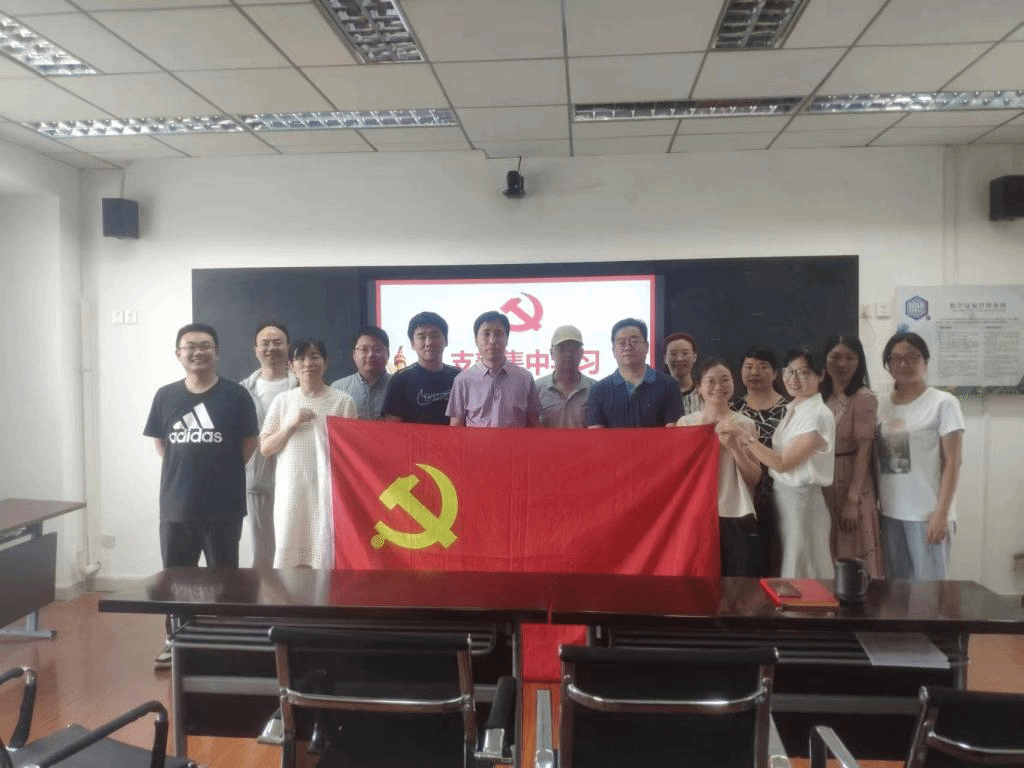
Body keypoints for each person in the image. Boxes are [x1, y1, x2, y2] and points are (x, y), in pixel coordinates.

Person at [144, 323, 259, 666]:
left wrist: (220, 471)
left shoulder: (236, 395)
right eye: (190, 346)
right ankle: (176, 640)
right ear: (178, 354)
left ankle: (226, 640)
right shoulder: (165, 395)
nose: (198, 352)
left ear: (217, 352)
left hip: (224, 506)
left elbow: (249, 443)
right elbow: (161, 444)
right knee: (175, 580)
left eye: (205, 345)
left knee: (225, 579)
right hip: (176, 506)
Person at [720, 346, 835, 578]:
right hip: (784, 498)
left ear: (820, 375)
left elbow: (783, 462)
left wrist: (745, 438)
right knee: (789, 568)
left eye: (803, 372)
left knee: (804, 570)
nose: (794, 379)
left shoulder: (817, 414)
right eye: (790, 371)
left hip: (802, 499)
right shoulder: (796, 408)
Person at [260, 338, 357, 569]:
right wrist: (291, 424)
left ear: (326, 362)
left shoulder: (343, 402)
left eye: (314, 357)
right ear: (291, 366)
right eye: (301, 358)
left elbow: (352, 455)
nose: (308, 363)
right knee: (289, 564)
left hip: (327, 495)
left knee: (327, 563)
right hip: (291, 494)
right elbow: (265, 448)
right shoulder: (282, 401)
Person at [876, 332, 964, 580]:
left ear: (925, 361)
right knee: (895, 593)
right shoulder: (881, 405)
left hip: (927, 516)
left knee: (929, 595)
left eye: (912, 357)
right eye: (896, 358)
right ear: (888, 365)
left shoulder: (943, 403)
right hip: (890, 514)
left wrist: (941, 514)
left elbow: (953, 463)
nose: (903, 364)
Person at [676, 358, 763, 576]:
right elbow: (679, 476)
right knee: (699, 581)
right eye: (710, 381)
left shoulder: (745, 424)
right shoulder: (686, 424)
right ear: (699, 387)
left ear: (733, 384)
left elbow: (754, 478)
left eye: (725, 380)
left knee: (738, 582)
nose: (718, 386)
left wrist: (734, 447)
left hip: (736, 512)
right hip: (697, 514)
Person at [821, 336, 883, 578]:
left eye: (850, 358)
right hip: (824, 483)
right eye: (835, 357)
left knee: (852, 550)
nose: (842, 364)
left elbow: (865, 450)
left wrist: (852, 499)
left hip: (851, 481)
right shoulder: (820, 396)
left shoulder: (863, 398)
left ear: (859, 361)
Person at [240, 322, 296, 570]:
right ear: (256, 350)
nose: (271, 348)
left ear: (288, 347)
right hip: (257, 481)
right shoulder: (242, 391)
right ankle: (262, 594)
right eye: (265, 343)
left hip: (296, 480)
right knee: (261, 553)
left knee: (295, 550)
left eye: (277, 342)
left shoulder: (303, 386)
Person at [730, 345, 790, 576]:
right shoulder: (733, 408)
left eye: (762, 366)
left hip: (782, 493)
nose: (754, 372)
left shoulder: (789, 409)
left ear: (775, 373)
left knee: (780, 557)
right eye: (748, 366)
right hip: (744, 495)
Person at [447, 311, 541, 427]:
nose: (492, 341)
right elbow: (456, 427)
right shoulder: (463, 380)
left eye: (498, 334)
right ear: (476, 340)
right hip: (476, 440)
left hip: (515, 440)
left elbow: (533, 424)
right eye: (486, 334)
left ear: (507, 339)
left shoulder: (525, 378)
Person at [586, 318, 682, 428]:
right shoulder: (598, 391)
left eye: (634, 341)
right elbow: (596, 435)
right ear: (613, 351)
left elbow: (673, 432)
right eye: (621, 343)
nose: (628, 347)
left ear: (646, 347)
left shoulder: (669, 385)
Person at [381, 311, 460, 425]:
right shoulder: (400, 379)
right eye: (421, 337)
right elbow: (392, 427)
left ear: (446, 340)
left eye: (435, 335)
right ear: (413, 344)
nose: (429, 342)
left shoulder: (459, 377)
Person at [535, 325, 596, 428]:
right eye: (562, 349)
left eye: (573, 349)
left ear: (581, 353)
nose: (568, 354)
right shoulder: (536, 389)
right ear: (551, 353)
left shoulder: (595, 389)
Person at [330, 326, 391, 420]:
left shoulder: (400, 388)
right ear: (354, 355)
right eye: (364, 349)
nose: (370, 354)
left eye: (377, 349)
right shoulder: (338, 389)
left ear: (388, 354)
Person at [664, 332, 702, 416]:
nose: (679, 359)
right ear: (665, 358)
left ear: (694, 357)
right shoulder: (657, 394)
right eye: (673, 354)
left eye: (685, 353)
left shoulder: (705, 393)